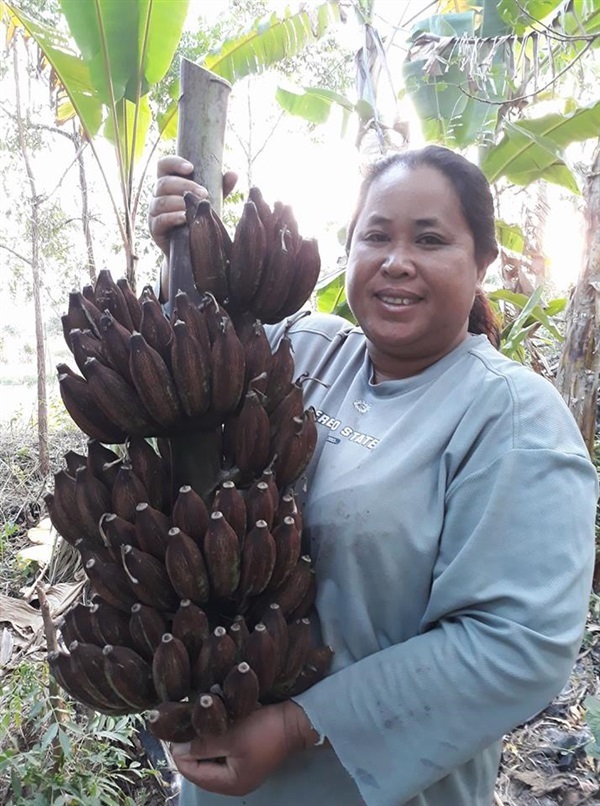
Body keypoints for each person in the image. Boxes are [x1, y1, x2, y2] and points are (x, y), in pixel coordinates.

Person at [148, 146, 598, 806]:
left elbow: (514, 646)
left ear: (482, 265)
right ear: (350, 249)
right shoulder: (307, 350)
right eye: (377, 235)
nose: (397, 261)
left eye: (430, 239)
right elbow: (196, 359)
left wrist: (298, 725)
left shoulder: (509, 414)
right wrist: (190, 244)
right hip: (220, 785)